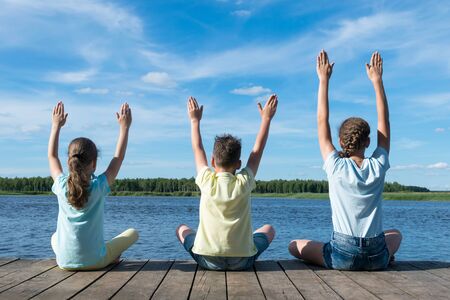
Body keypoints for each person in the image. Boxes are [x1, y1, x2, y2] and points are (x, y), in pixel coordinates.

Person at [288, 50, 402, 270]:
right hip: (375, 254)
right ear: (368, 142)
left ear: (340, 142)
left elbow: (322, 121)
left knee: (294, 245)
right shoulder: (377, 165)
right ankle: (383, 258)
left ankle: (364, 258)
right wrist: (377, 81)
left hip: (342, 254)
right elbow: (384, 122)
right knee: (396, 234)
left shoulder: (336, 165)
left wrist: (323, 80)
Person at [176, 95, 278, 270]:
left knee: (182, 228)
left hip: (207, 261)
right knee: (269, 229)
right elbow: (257, 151)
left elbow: (197, 148)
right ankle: (242, 244)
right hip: (242, 261)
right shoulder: (244, 181)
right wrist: (266, 119)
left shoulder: (206, 180)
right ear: (238, 164)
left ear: (213, 162)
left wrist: (195, 121)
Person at [48, 101, 138, 270]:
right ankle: (110, 256)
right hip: (96, 261)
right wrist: (124, 128)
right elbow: (118, 158)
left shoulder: (61, 186)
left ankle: (79, 254)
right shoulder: (99, 186)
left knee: (54, 237)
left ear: (69, 162)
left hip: (64, 262)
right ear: (94, 164)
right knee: (133, 233)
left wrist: (56, 125)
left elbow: (52, 157)